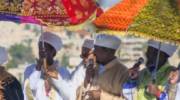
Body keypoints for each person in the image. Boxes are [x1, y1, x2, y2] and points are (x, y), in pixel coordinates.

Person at [48, 34, 129, 100]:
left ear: (109, 52)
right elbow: (79, 93)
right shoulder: (94, 67)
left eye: (97, 50)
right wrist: (87, 79)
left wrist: (101, 96)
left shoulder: (123, 73)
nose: (94, 53)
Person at [23, 32, 70, 100]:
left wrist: (57, 79)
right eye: (40, 49)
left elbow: (68, 96)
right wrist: (38, 69)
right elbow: (30, 89)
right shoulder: (30, 69)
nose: (41, 52)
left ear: (53, 52)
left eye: (45, 49)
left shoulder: (63, 72)